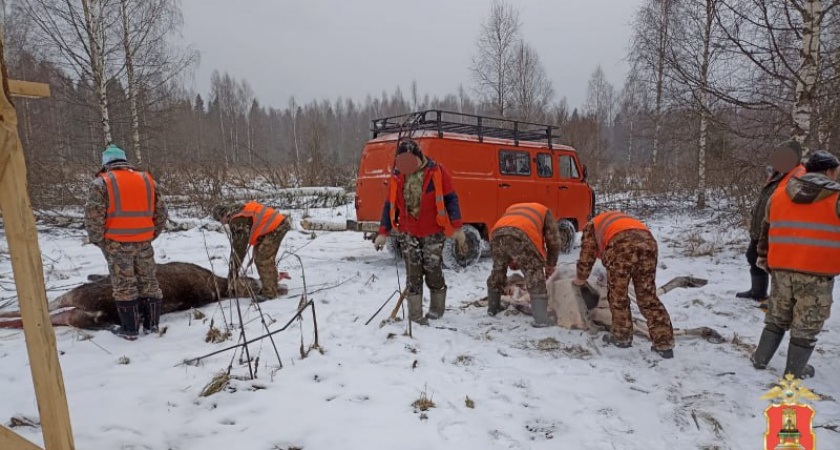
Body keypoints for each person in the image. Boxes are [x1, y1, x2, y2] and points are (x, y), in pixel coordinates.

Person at [752, 150, 840, 379]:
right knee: (807, 323)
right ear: (829, 171)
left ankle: (760, 359)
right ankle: (794, 371)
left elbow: (765, 230)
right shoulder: (836, 196)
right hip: (817, 272)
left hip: (780, 268)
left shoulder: (779, 194)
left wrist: (763, 258)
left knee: (776, 316)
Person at [374, 139, 466, 325]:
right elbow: (389, 205)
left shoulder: (437, 171)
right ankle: (415, 316)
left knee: (433, 271)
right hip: (408, 232)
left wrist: (457, 227)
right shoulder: (397, 176)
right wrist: (383, 232)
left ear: (418, 157)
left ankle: (436, 311)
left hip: (433, 231)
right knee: (413, 274)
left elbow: (451, 198)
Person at [84, 144, 168, 340]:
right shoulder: (148, 181)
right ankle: (151, 326)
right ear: (124, 160)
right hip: (144, 241)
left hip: (116, 242)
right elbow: (162, 214)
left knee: (124, 285)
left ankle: (130, 330)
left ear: (106, 162)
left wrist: (100, 241)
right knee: (149, 282)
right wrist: (150, 234)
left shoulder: (101, 183)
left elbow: (93, 217)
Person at [573, 211, 675, 358]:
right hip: (648, 243)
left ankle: (622, 337)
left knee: (618, 295)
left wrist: (580, 279)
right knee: (647, 296)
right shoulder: (617, 219)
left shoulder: (591, 226)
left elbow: (587, 255)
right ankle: (664, 343)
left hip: (621, 246)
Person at [737, 141, 805, 304]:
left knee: (776, 265)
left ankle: (781, 299)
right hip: (763, 227)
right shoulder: (777, 173)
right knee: (753, 256)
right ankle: (758, 292)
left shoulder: (799, 176)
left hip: (779, 230)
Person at [486, 203, 563, 327]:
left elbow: (508, 238)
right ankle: (541, 318)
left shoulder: (511, 208)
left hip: (496, 233)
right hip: (522, 233)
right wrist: (550, 264)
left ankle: (493, 307)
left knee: (498, 269)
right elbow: (554, 240)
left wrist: (511, 259)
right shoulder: (544, 211)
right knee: (534, 272)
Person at [212, 201, 291, 300]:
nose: (222, 223)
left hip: (277, 227)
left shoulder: (238, 220)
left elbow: (239, 249)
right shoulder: (238, 211)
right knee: (262, 257)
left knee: (262, 259)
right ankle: (271, 286)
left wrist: (233, 272)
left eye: (220, 220)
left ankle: (269, 293)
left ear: (222, 215)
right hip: (275, 225)